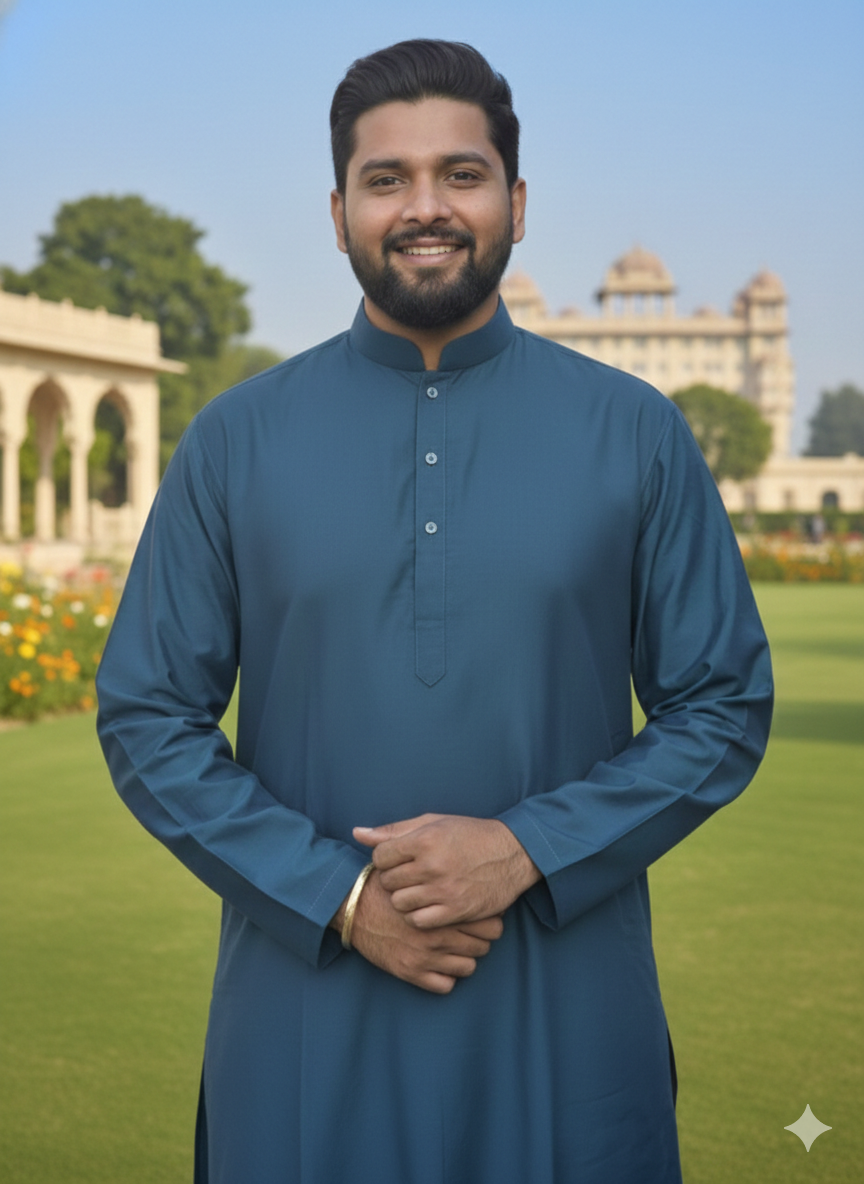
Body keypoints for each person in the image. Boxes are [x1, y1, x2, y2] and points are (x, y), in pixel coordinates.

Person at [96, 39, 773, 1184]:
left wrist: (525, 848)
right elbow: (147, 715)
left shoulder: (633, 431)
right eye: (386, 178)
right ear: (338, 210)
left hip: (565, 1013)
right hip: (305, 1017)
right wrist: (345, 895)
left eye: (461, 175)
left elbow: (722, 701)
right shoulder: (238, 439)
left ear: (517, 201)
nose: (426, 208)